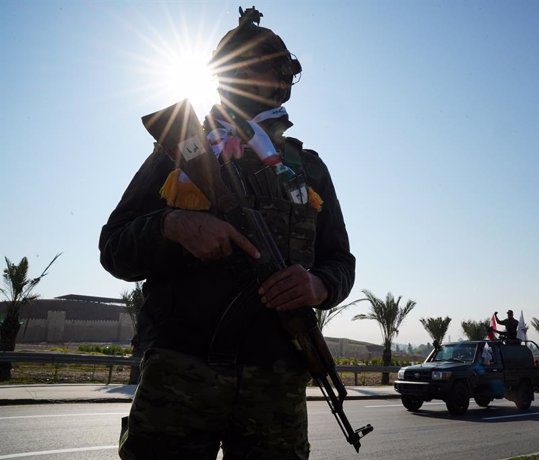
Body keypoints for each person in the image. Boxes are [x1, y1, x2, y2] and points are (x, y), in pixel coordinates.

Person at [99, 7, 355, 459]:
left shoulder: (307, 167)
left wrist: (317, 284)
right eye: (264, 67)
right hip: (181, 373)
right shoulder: (182, 148)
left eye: (283, 70)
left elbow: (340, 262)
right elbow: (114, 246)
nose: (277, 79)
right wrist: (173, 226)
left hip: (274, 380)